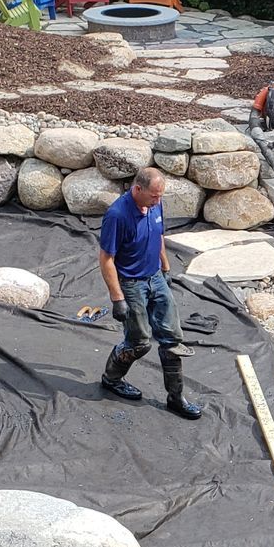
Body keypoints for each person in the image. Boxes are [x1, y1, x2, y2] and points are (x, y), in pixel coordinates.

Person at [97, 167, 203, 418]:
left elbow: (159, 236)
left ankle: (176, 398)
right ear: (137, 189)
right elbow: (106, 259)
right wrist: (117, 298)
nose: (158, 201)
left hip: (155, 277)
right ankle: (111, 378)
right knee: (140, 341)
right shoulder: (117, 215)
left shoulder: (155, 205)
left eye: (160, 196)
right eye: (154, 196)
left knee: (172, 339)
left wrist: (165, 267)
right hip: (131, 283)